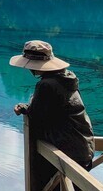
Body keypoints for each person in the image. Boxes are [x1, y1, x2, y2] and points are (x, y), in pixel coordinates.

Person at [10, 40, 94, 169]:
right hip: (83, 148)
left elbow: (37, 116)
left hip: (65, 153)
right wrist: (27, 108)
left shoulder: (47, 85)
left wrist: (24, 109)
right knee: (71, 189)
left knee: (53, 187)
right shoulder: (67, 79)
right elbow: (53, 109)